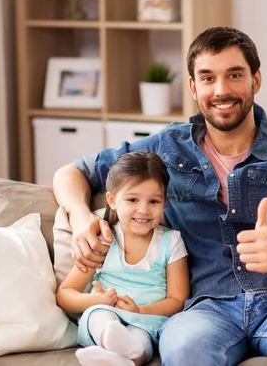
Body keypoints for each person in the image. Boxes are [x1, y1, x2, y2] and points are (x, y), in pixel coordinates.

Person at [53, 26, 267, 365]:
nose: (221, 90)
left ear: (255, 80)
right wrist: (82, 217)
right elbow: (71, 173)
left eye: (234, 75)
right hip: (205, 308)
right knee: (183, 345)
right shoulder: (166, 147)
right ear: (193, 86)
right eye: (207, 78)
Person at [56, 152, 189, 366]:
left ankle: (125, 358)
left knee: (141, 337)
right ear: (112, 200)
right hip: (107, 311)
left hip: (147, 319)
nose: (143, 210)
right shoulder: (102, 241)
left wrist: (139, 311)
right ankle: (112, 343)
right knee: (100, 316)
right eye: (133, 199)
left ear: (164, 203)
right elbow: (65, 295)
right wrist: (95, 301)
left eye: (154, 201)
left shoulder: (171, 241)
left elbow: (178, 300)